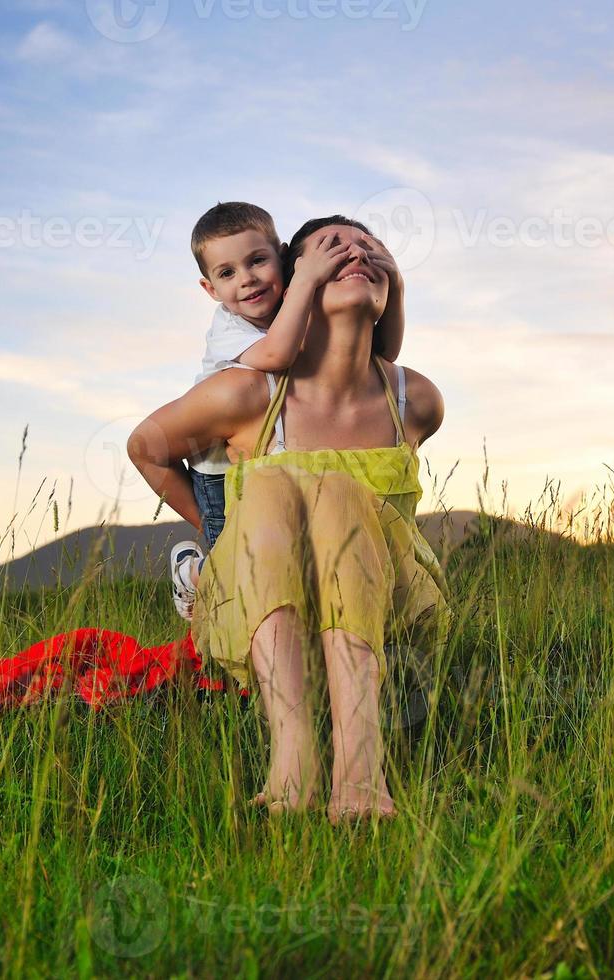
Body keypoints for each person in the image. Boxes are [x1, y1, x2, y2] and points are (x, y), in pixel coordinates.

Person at [128, 216, 448, 823]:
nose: (354, 255)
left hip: (389, 613)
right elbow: (145, 446)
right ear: (298, 283)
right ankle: (293, 766)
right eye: (333, 249)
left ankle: (360, 773)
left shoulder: (418, 399)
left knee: (337, 493)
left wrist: (394, 282)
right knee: (276, 482)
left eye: (370, 249)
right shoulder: (245, 392)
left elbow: (377, 354)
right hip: (265, 612)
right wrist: (216, 534)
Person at [173, 202, 406, 618]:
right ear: (210, 289)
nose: (246, 280)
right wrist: (309, 276)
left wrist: (396, 286)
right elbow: (279, 353)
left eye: (258, 261)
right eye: (226, 273)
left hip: (259, 467)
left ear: (278, 259)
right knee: (236, 568)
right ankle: (194, 575)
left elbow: (384, 352)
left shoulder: (285, 305)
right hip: (215, 471)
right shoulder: (232, 325)